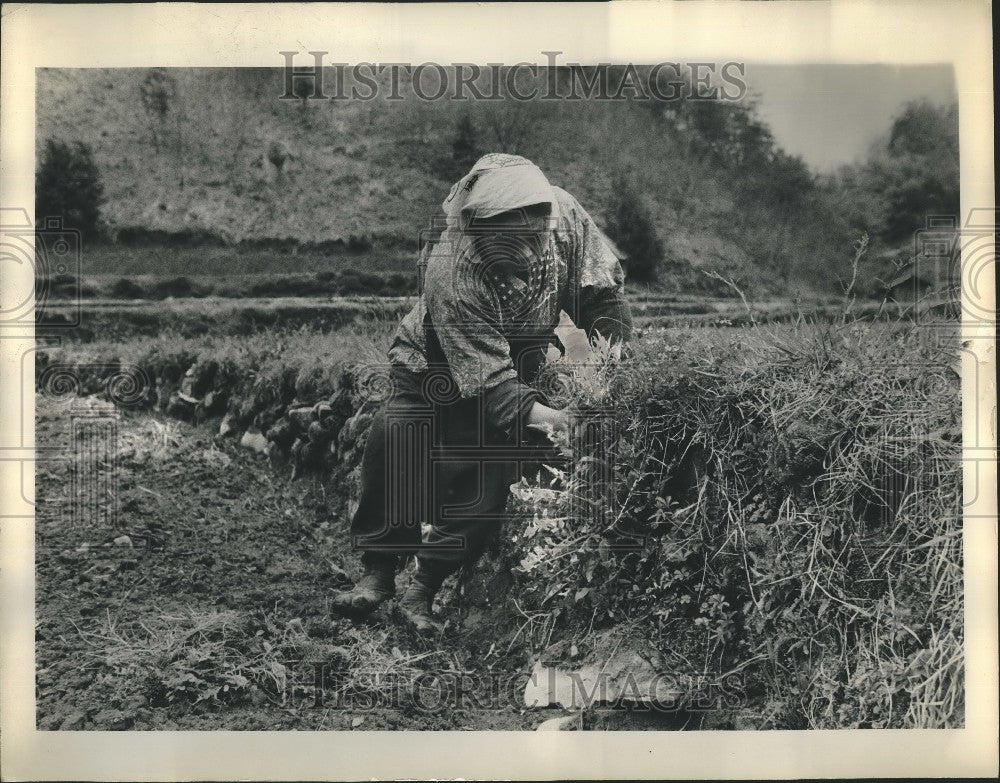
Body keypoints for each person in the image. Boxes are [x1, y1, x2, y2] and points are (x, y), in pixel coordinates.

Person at [333, 153, 632, 632]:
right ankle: (378, 571)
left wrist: (613, 374)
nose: (530, 254)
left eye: (536, 238)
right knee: (397, 437)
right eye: (512, 243)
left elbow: (602, 298)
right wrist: (560, 421)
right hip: (431, 361)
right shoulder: (450, 268)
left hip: (519, 358)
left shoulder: (565, 216)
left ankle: (424, 586)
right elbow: (492, 387)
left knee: (495, 470)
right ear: (478, 230)